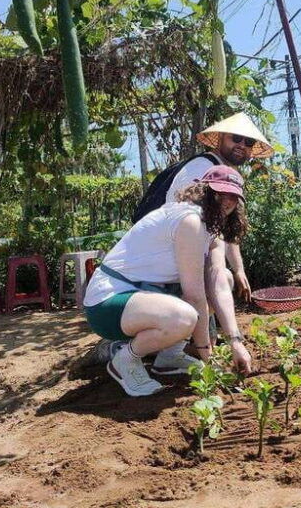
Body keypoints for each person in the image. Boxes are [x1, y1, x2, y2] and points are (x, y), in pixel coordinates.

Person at [113, 112, 273, 375]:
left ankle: (176, 351)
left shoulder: (227, 175)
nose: (242, 146)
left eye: (248, 142)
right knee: (206, 287)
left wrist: (238, 268)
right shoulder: (201, 169)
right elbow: (194, 228)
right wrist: (209, 355)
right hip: (169, 255)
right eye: (236, 138)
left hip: (186, 250)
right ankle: (173, 350)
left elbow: (221, 230)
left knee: (221, 279)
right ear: (220, 138)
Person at [83, 165, 253, 396]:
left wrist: (235, 341)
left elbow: (218, 285)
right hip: (108, 303)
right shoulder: (190, 221)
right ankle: (125, 359)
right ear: (206, 191)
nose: (227, 201)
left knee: (226, 277)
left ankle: (169, 357)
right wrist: (209, 360)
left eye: (233, 196)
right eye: (220, 193)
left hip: (144, 298)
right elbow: (194, 296)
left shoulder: (212, 228)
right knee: (184, 316)